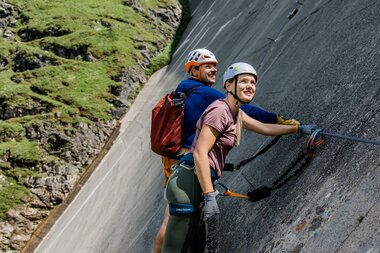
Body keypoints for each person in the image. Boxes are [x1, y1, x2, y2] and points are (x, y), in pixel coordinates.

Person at [153, 49, 299, 253]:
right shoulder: (206, 94)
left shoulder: (184, 92)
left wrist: (298, 129)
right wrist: (277, 117)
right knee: (172, 228)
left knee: (176, 228)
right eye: (207, 66)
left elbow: (261, 128)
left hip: (177, 164)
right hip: (188, 168)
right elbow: (245, 110)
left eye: (214, 65)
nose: (213, 69)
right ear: (194, 70)